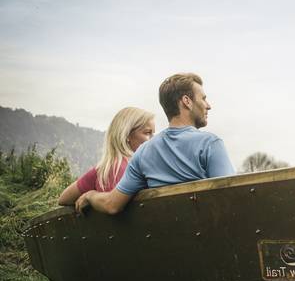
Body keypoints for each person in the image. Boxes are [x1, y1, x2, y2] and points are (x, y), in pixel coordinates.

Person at [75, 73, 235, 215]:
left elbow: (112, 205)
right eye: (203, 98)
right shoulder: (210, 144)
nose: (208, 105)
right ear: (187, 101)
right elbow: (234, 200)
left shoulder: (143, 152)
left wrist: (90, 195)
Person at [58, 107, 155, 205]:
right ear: (127, 135)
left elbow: (64, 199)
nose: (153, 139)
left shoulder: (101, 170)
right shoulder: (137, 168)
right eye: (147, 133)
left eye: (153, 134)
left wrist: (92, 195)